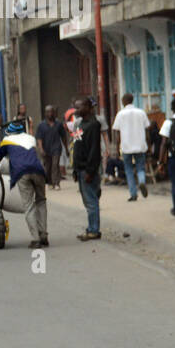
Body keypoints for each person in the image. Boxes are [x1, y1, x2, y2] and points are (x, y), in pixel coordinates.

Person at [0, 125, 49, 248]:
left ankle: (36, 239)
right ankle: (44, 235)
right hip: (38, 171)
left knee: (29, 205)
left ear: (9, 133)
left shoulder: (7, 141)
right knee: (41, 201)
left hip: (22, 173)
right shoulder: (30, 138)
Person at [71, 97, 103, 241]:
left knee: (91, 201)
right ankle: (91, 228)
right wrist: (74, 168)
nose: (76, 110)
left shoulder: (94, 125)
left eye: (79, 107)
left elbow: (94, 151)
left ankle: (93, 230)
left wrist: (90, 171)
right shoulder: (79, 125)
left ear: (88, 108)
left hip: (87, 169)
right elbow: (76, 147)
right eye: (75, 108)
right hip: (80, 168)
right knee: (88, 200)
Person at [112, 93, 151, 201]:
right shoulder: (141, 112)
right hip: (140, 145)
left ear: (124, 101)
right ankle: (142, 181)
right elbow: (147, 130)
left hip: (126, 146)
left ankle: (133, 194)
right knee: (140, 167)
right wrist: (148, 144)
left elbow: (117, 132)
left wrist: (117, 146)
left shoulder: (120, 114)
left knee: (128, 169)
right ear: (132, 100)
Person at [34, 105, 69, 190]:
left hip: (56, 148)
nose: (50, 113)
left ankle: (56, 183)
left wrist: (66, 148)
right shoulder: (41, 125)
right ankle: (49, 182)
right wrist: (41, 149)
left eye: (52, 112)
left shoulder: (59, 124)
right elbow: (39, 138)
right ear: (45, 113)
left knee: (55, 165)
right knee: (48, 167)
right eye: (48, 112)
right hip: (46, 149)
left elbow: (63, 137)